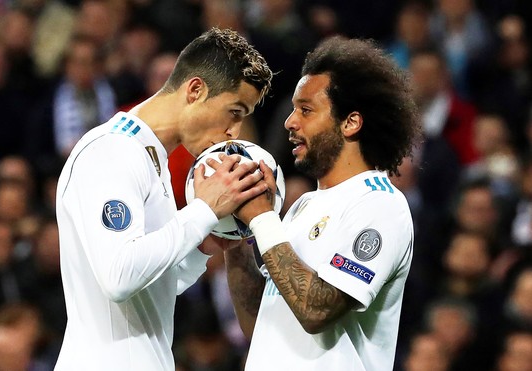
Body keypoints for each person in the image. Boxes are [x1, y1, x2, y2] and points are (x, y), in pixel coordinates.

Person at [54, 27, 272, 371]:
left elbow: (155, 285)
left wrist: (211, 237)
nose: (235, 132)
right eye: (234, 112)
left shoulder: (150, 158)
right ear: (195, 90)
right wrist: (203, 211)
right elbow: (120, 276)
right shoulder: (110, 151)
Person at [223, 36, 420, 370]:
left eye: (306, 110)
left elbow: (316, 311)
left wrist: (263, 219)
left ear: (351, 122)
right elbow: (260, 326)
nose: (290, 122)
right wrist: (236, 235)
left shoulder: (380, 204)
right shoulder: (303, 207)